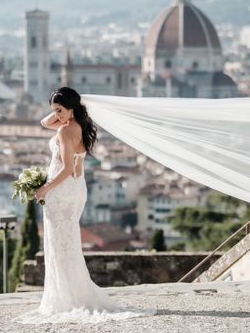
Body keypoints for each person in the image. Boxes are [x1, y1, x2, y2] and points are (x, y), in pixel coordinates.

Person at [12, 87, 156, 324]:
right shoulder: (78, 126)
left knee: (59, 244)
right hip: (76, 189)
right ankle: (72, 294)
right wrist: (62, 109)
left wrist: (44, 189)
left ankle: (65, 297)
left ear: (72, 108)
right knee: (67, 243)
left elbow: (67, 168)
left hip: (61, 190)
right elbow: (44, 122)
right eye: (54, 111)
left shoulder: (65, 131)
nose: (55, 116)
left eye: (59, 110)